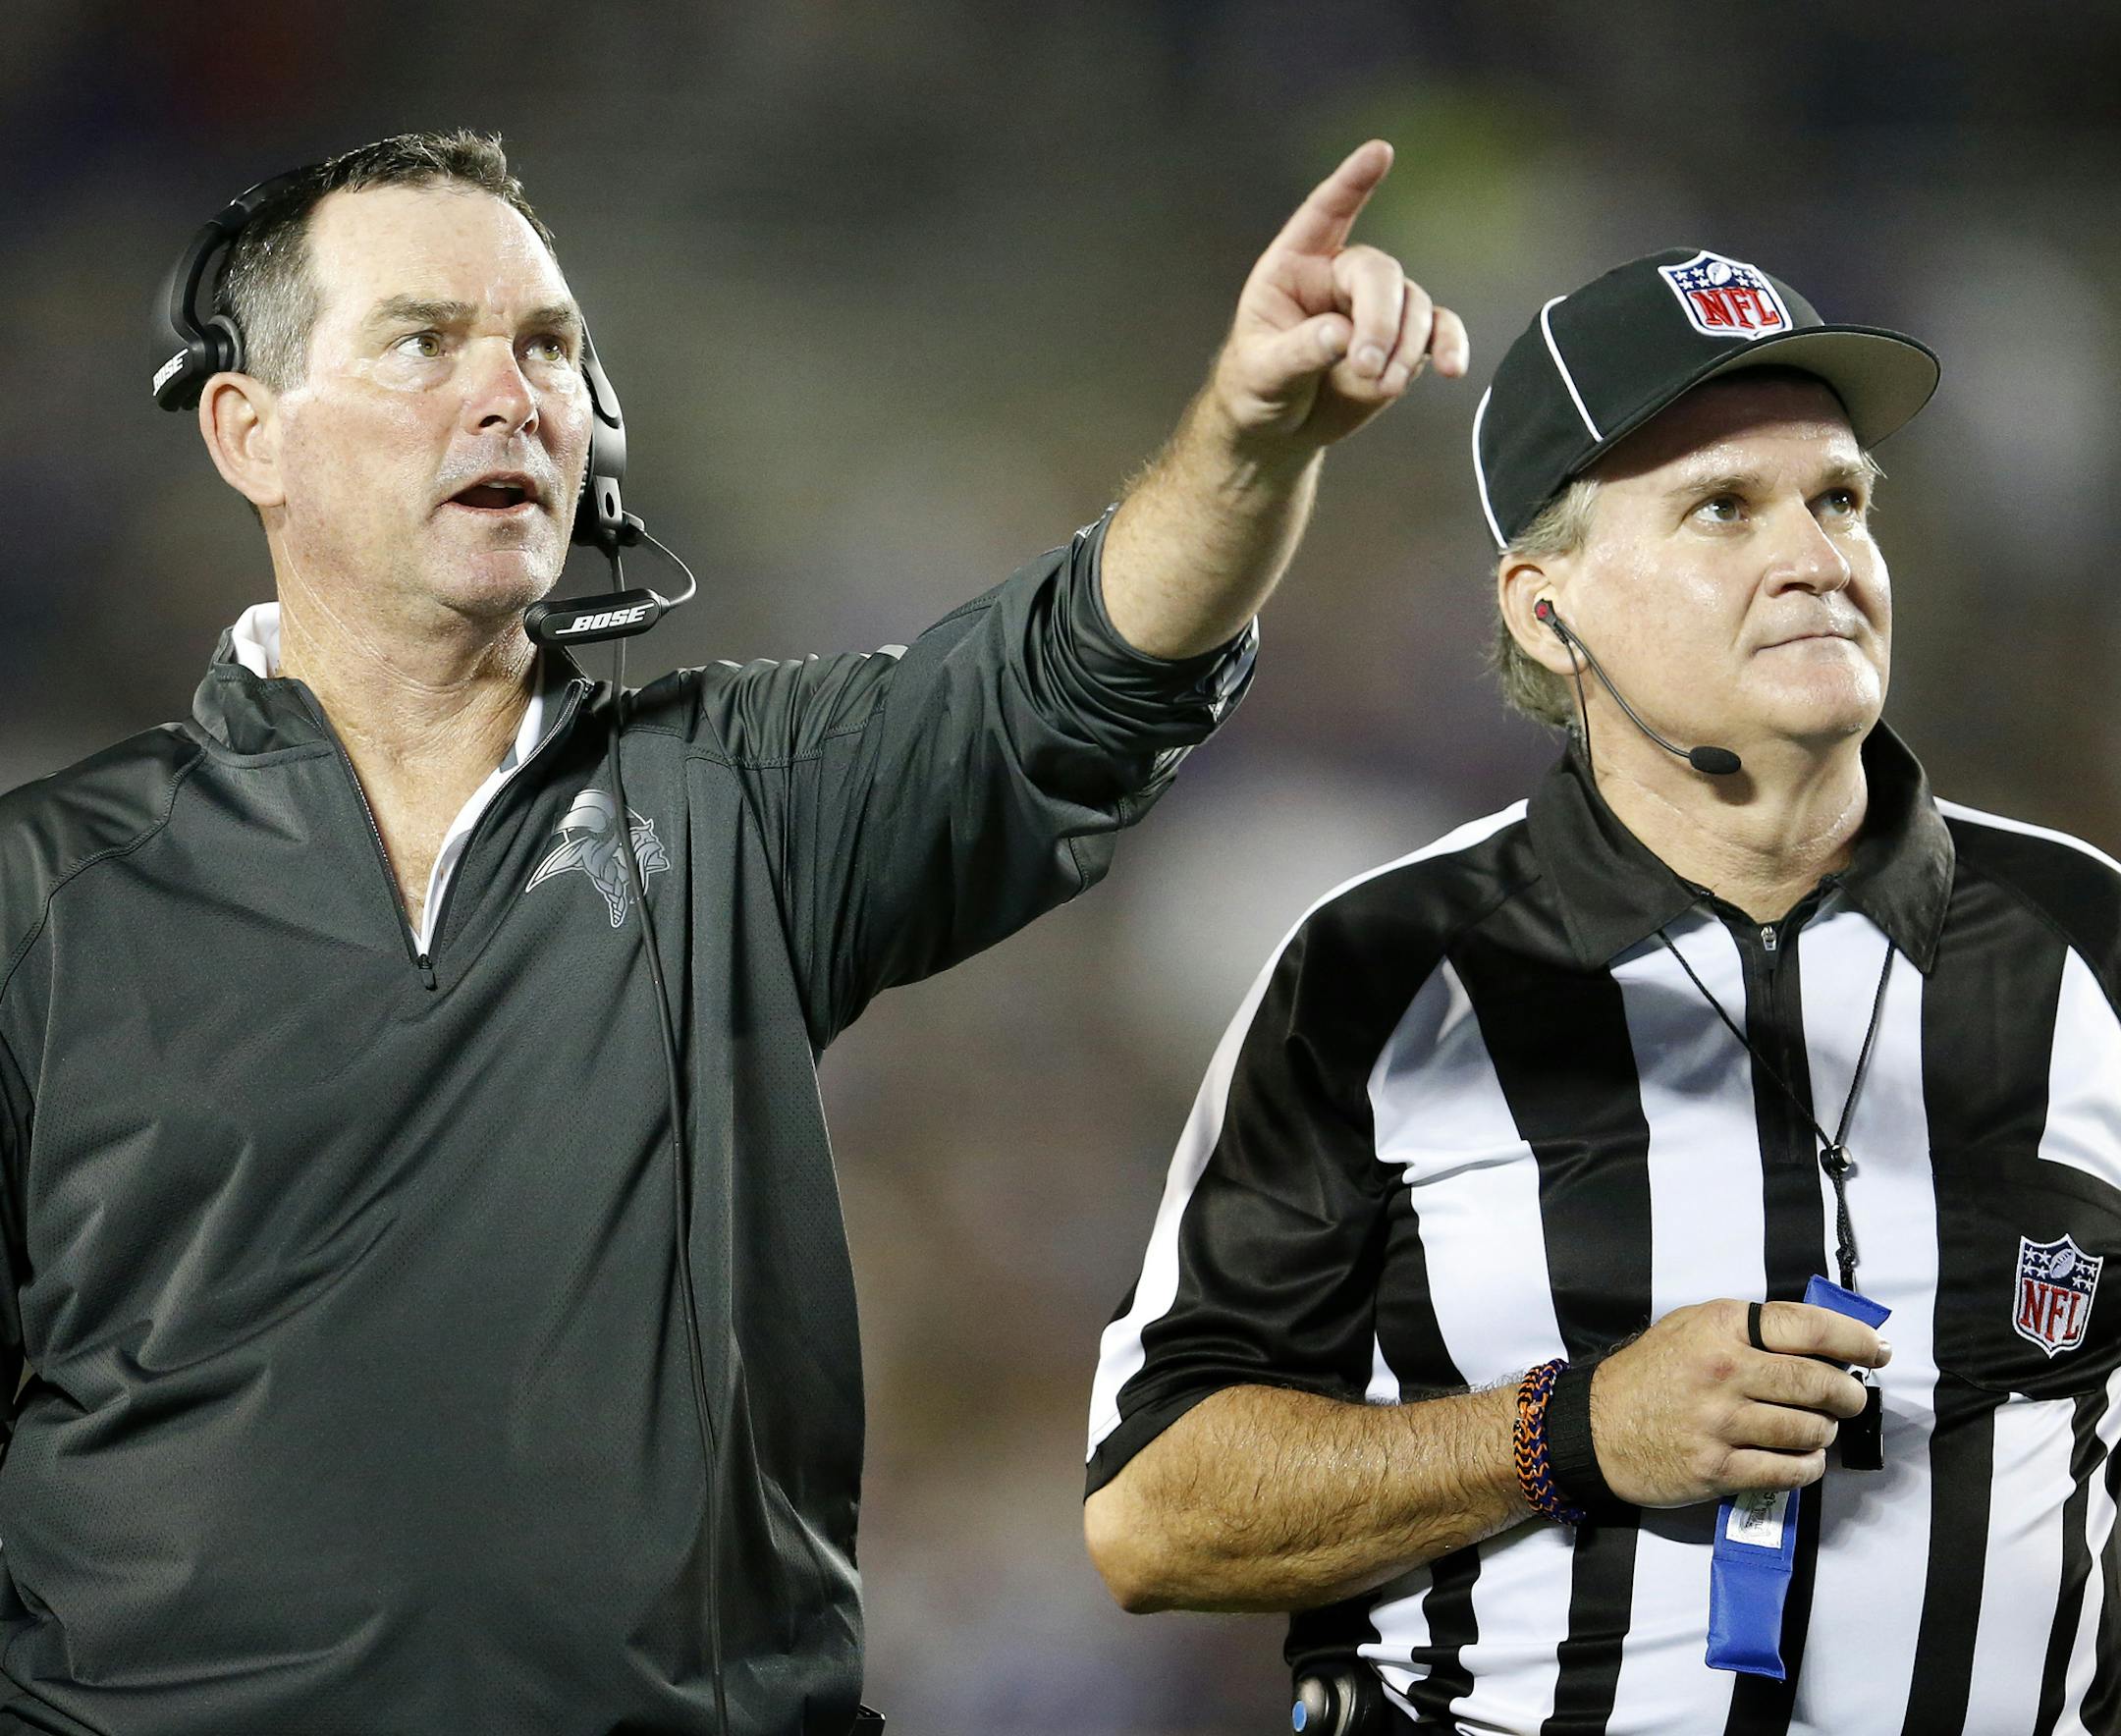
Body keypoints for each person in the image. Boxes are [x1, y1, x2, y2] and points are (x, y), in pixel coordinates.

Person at [0, 131, 1466, 1734]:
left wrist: (1250, 443)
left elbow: (1077, 681)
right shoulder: (47, 897)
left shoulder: (735, 799)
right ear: (249, 433)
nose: (514, 393)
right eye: (425, 341)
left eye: (549, 346)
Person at [1085, 248, 2121, 1733]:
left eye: (1840, 498)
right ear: (1546, 606)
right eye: (1723, 508)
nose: (1820, 555)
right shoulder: (1381, 971)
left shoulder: (2091, 945)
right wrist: (1568, 1433)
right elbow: (1152, 1511)